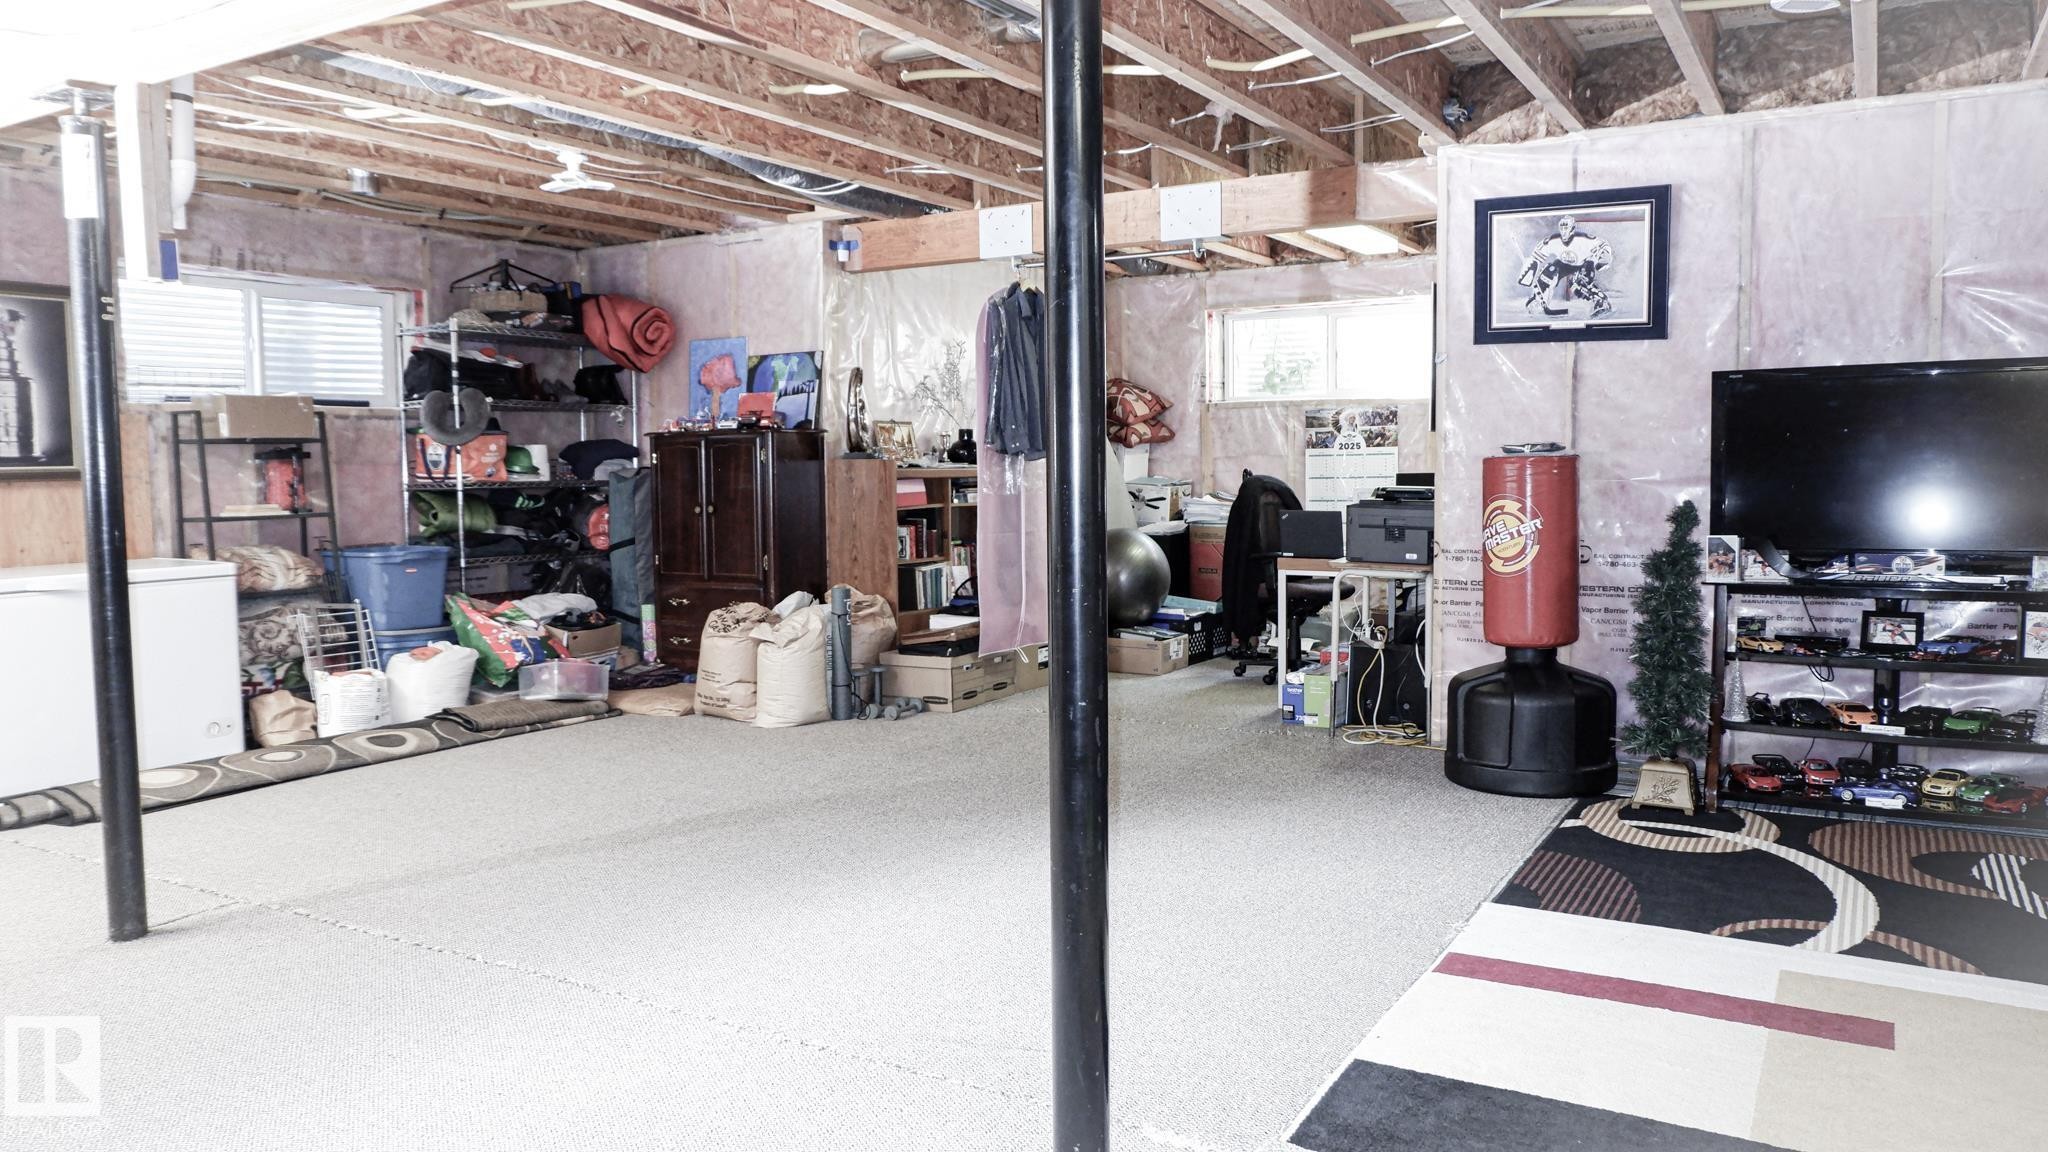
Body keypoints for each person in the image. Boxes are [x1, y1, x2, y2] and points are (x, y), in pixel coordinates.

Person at [1518, 215, 1614, 318]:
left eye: (1566, 227)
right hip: (1563, 264)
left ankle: (1601, 302)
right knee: (1548, 272)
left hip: (1582, 263)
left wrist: (1605, 255)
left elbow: (1603, 244)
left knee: (1578, 282)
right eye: (1562, 227)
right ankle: (1539, 301)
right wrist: (1529, 267)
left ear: (1572, 228)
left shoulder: (1583, 239)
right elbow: (1537, 254)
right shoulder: (1553, 240)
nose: (1564, 231)